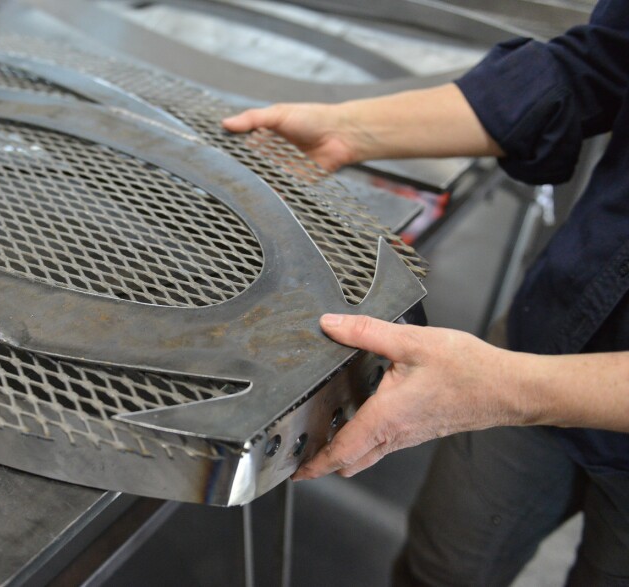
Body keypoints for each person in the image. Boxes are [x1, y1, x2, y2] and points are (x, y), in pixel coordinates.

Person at [223, 1, 629, 584]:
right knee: (442, 568)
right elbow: (597, 64)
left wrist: (507, 389)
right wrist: (350, 129)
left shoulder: (508, 385)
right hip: (554, 324)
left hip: (528, 377)